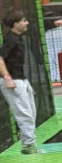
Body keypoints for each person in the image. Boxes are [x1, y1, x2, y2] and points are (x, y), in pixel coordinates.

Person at [0, 12, 39, 154]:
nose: (27, 23)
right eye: (23, 21)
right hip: (13, 81)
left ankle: (27, 142)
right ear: (16, 24)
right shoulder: (11, 39)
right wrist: (7, 78)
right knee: (25, 114)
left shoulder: (18, 38)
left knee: (31, 113)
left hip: (21, 79)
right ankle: (28, 146)